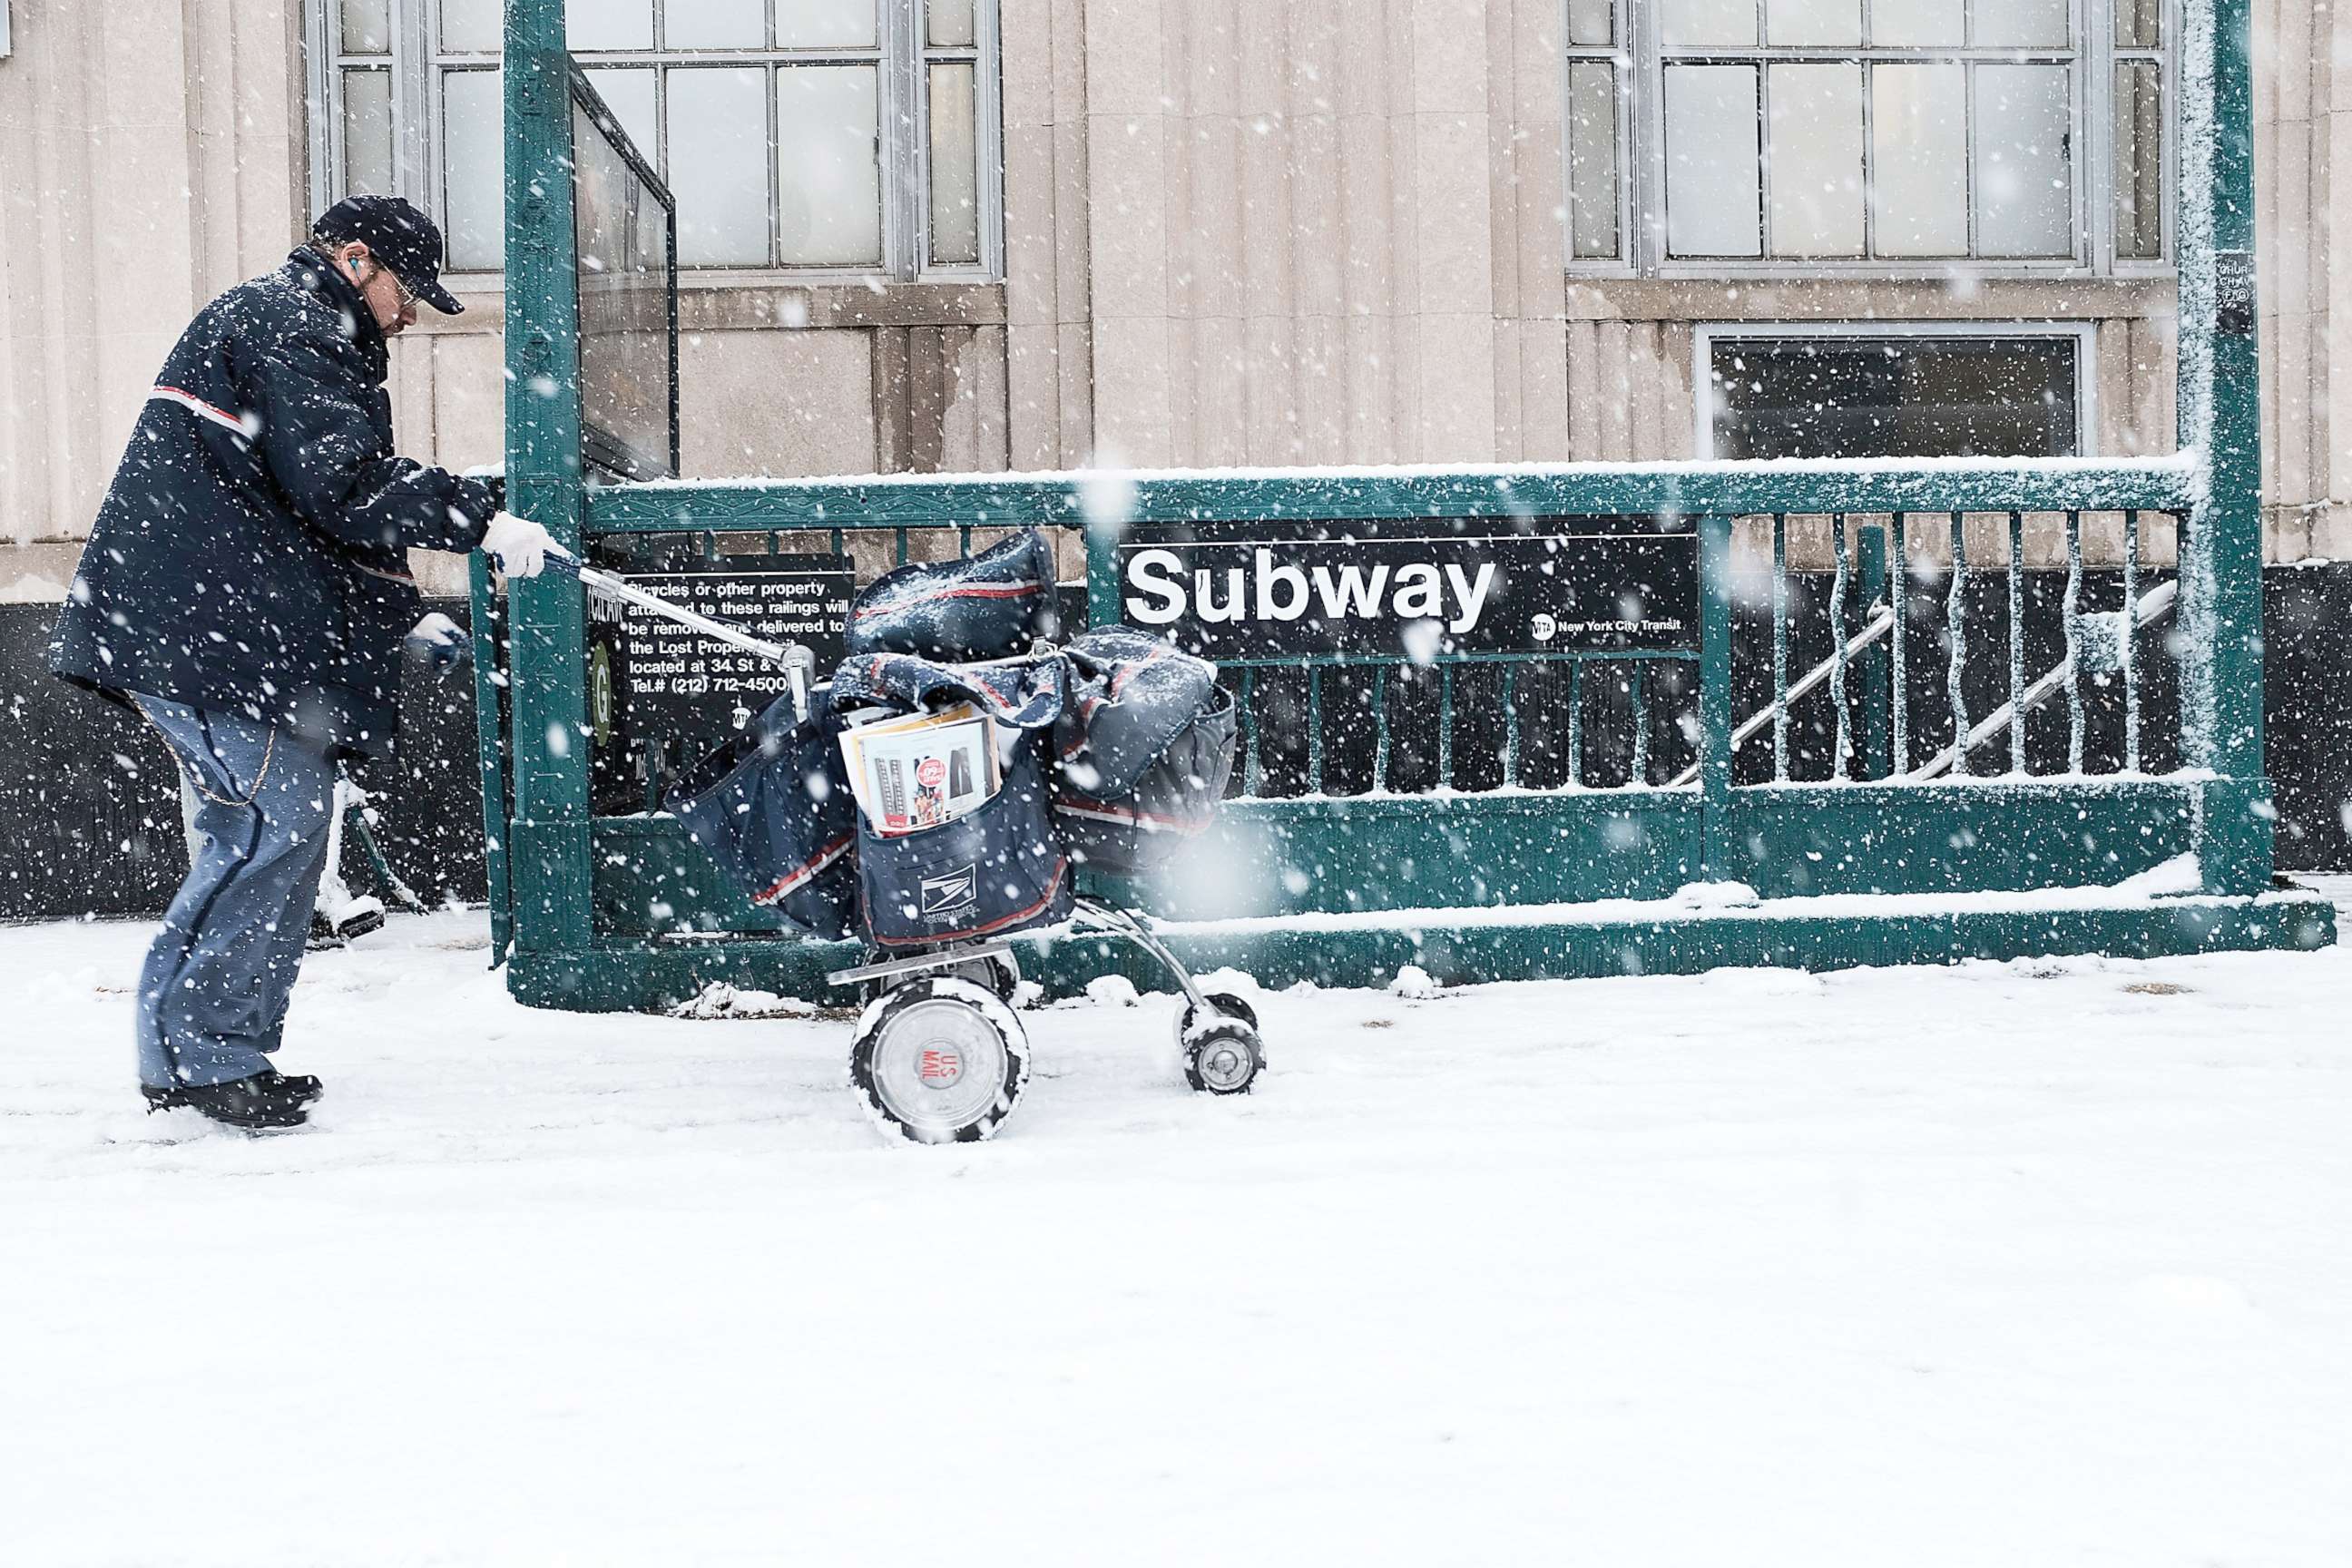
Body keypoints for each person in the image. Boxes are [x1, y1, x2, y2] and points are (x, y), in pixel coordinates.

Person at [48, 195, 563, 1132]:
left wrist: (400, 613)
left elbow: (303, 510)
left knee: (281, 829)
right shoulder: (295, 324)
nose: (410, 316)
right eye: (408, 292)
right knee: (268, 829)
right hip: (206, 636)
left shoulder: (297, 326)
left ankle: (222, 1054)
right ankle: (195, 1060)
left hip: (221, 633)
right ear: (358, 261)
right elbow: (343, 486)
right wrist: (480, 521)